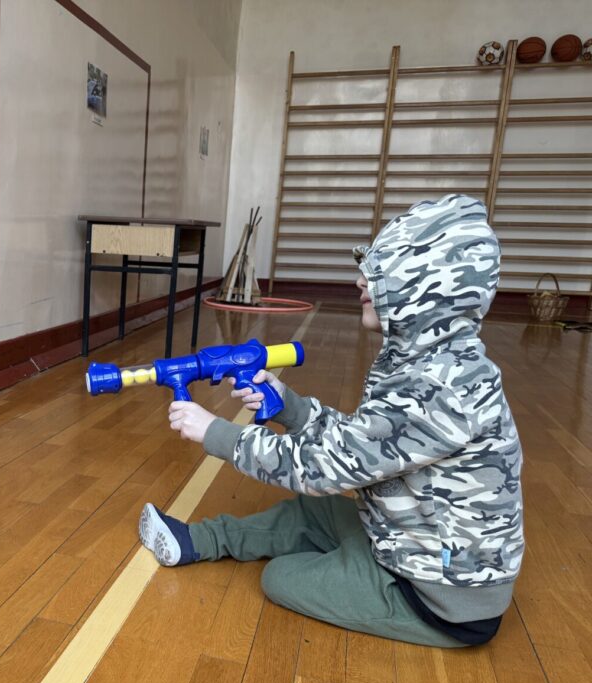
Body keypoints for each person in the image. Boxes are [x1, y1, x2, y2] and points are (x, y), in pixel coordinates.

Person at [139, 194, 523, 647]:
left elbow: (322, 467)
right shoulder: (429, 361)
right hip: (410, 545)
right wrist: (289, 406)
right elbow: (361, 442)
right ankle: (194, 542)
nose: (361, 280)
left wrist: (215, 432)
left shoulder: (438, 387)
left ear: (423, 290)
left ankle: (355, 570)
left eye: (380, 273)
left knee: (281, 578)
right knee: (308, 513)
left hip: (440, 597)